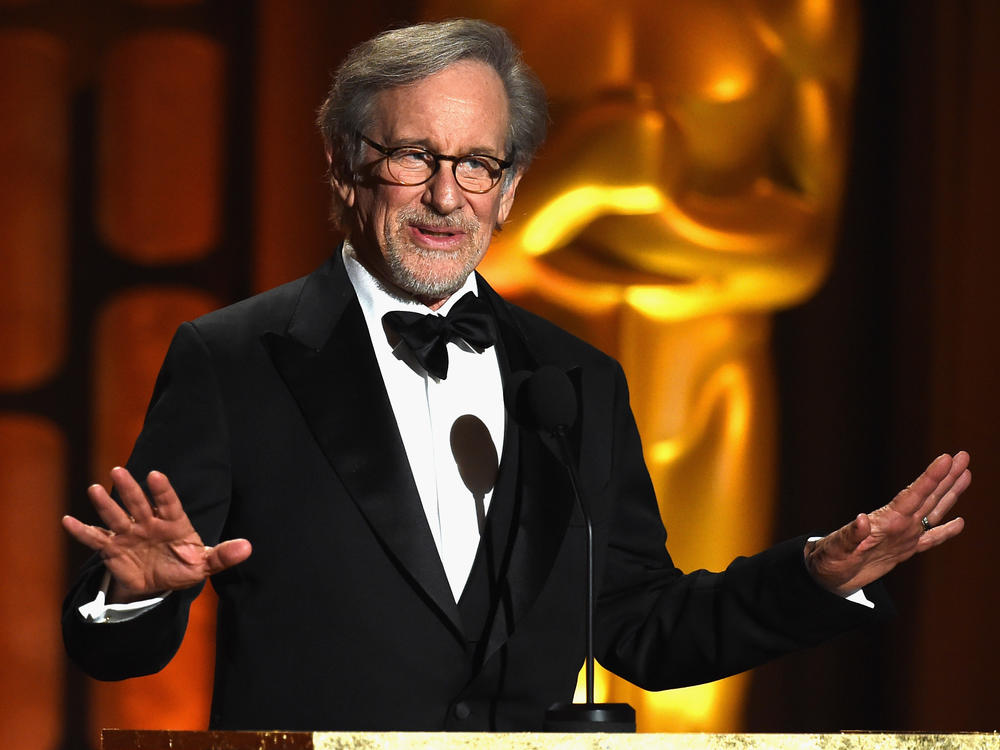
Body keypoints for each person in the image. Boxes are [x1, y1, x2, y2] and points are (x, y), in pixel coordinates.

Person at [61, 19, 970, 732]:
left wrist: (813, 575)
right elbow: (116, 648)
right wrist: (132, 595)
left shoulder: (577, 379)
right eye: (414, 157)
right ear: (344, 168)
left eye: (478, 165)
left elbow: (636, 627)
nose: (447, 197)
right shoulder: (231, 360)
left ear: (512, 187)